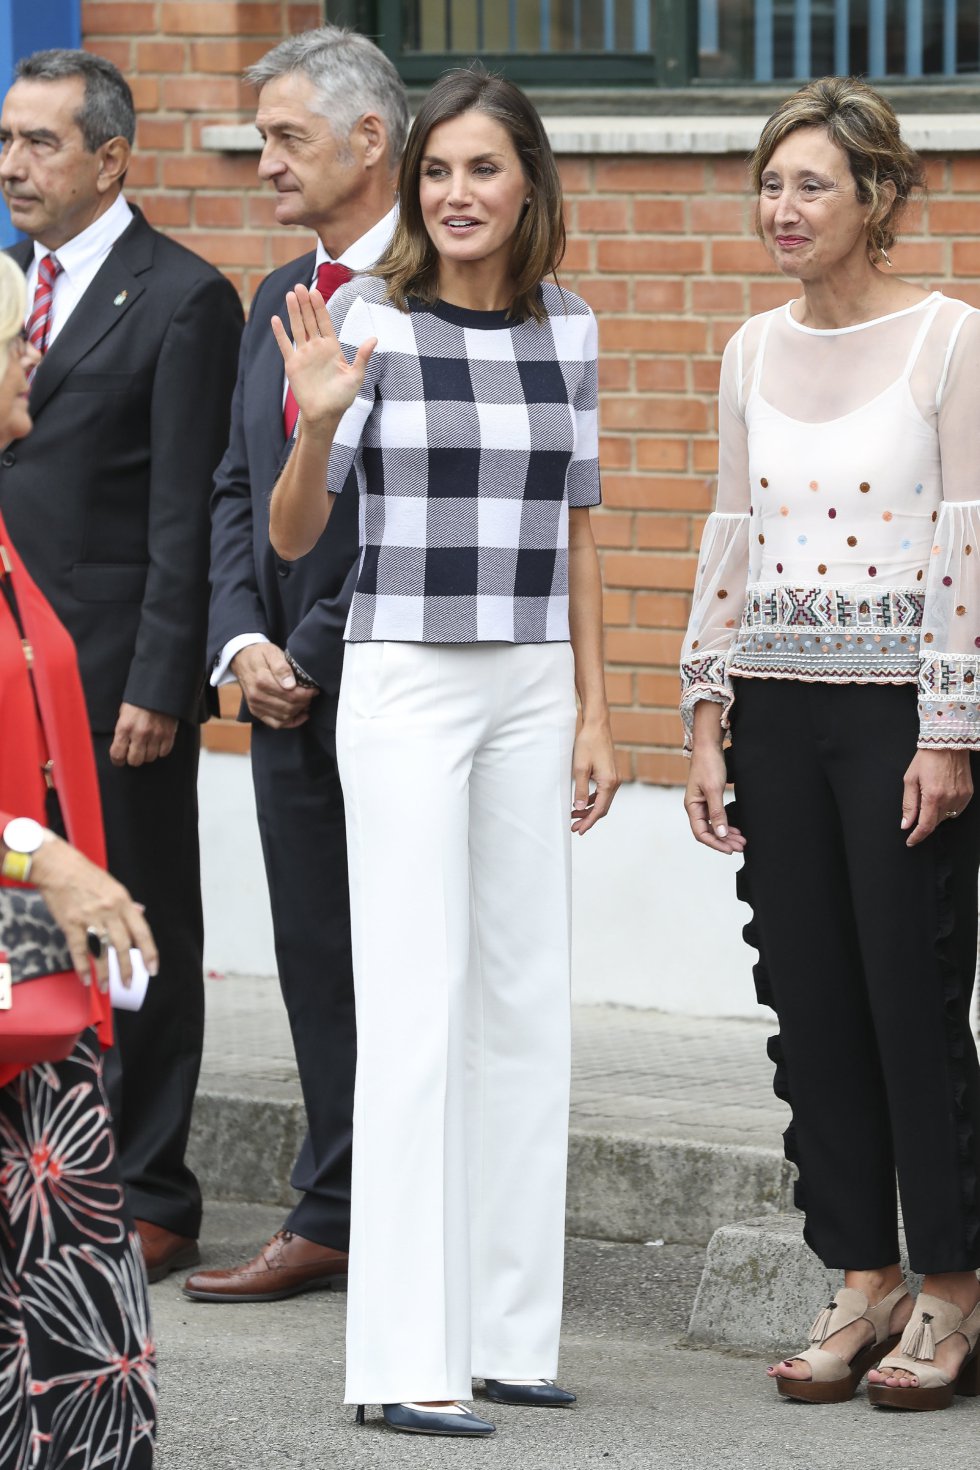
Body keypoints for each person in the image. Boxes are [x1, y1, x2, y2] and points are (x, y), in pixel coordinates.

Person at [269, 65, 619, 1436]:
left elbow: (581, 528)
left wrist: (598, 707)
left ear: (527, 181)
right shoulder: (370, 325)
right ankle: (402, 1360)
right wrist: (313, 421)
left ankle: (507, 1329)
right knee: (415, 1005)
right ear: (412, 189)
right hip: (405, 679)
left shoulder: (573, 327)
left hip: (533, 681)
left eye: (483, 169)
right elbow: (299, 537)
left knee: (527, 1001)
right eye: (436, 173)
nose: (457, 195)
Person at [681, 76, 980, 1411]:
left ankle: (956, 1285)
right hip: (777, 710)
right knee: (811, 1006)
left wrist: (952, 729)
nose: (781, 207)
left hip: (901, 723)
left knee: (914, 1006)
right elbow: (730, 536)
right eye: (769, 182)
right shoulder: (749, 349)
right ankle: (860, 1272)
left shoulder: (951, 342)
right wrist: (704, 718)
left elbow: (969, 540)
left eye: (810, 184)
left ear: (878, 198)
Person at [0, 49, 243, 1283]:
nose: (11, 165)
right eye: (5, 140)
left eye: (41, 144)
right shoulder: (3, 290)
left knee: (136, 921)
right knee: (22, 920)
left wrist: (163, 679)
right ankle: (40, 1167)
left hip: (109, 684)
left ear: (111, 160)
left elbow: (190, 513)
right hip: (7, 674)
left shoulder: (183, 298)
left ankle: (150, 1187)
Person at [193, 26, 409, 1304]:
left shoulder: (442, 291)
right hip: (276, 688)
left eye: (288, 139)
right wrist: (244, 641)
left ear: (369, 139)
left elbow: (397, 505)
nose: (264, 161)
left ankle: (398, 1207)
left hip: (381, 679)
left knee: (403, 955)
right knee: (316, 956)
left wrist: (312, 649)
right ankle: (331, 1208)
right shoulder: (278, 290)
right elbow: (236, 488)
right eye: (261, 137)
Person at [0, 251, 158, 1469]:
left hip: (37, 999)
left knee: (74, 1337)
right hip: (18, 954)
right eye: (13, 343)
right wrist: (37, 858)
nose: (31, 362)